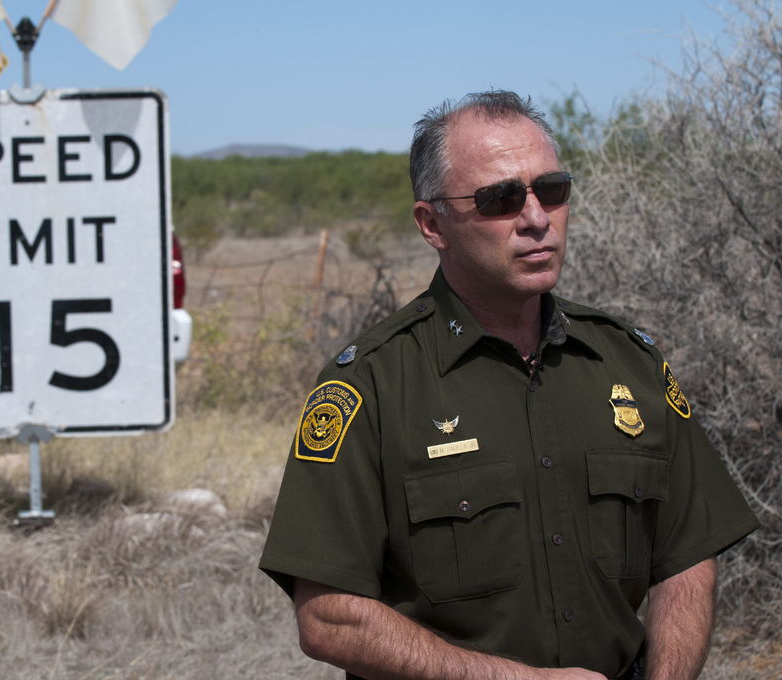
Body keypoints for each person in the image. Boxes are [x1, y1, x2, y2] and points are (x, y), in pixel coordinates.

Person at [258, 90, 759, 680]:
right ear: (432, 224)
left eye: (553, 189)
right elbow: (328, 618)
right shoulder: (371, 385)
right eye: (501, 198)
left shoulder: (629, 362)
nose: (537, 218)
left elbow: (687, 557)